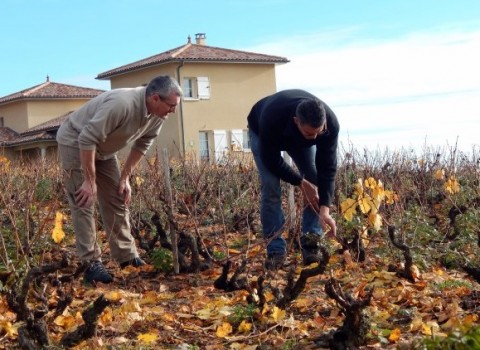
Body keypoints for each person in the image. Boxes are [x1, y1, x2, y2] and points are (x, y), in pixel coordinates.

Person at [56, 75, 182, 283]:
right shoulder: (122, 104)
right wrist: (89, 181)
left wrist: (124, 179)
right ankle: (91, 264)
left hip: (104, 149)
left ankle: (126, 257)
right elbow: (86, 138)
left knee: (117, 197)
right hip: (75, 141)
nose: (173, 111)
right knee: (84, 200)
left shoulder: (157, 117)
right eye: (171, 106)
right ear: (155, 98)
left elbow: (142, 145)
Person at [247, 89, 339, 270]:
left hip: (295, 137)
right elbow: (272, 160)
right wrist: (300, 182)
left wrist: (325, 209)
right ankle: (276, 251)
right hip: (262, 131)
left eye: (317, 133)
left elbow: (327, 168)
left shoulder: (330, 125)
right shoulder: (272, 117)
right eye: (309, 133)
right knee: (271, 185)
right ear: (296, 121)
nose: (314, 138)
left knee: (314, 178)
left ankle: (311, 242)